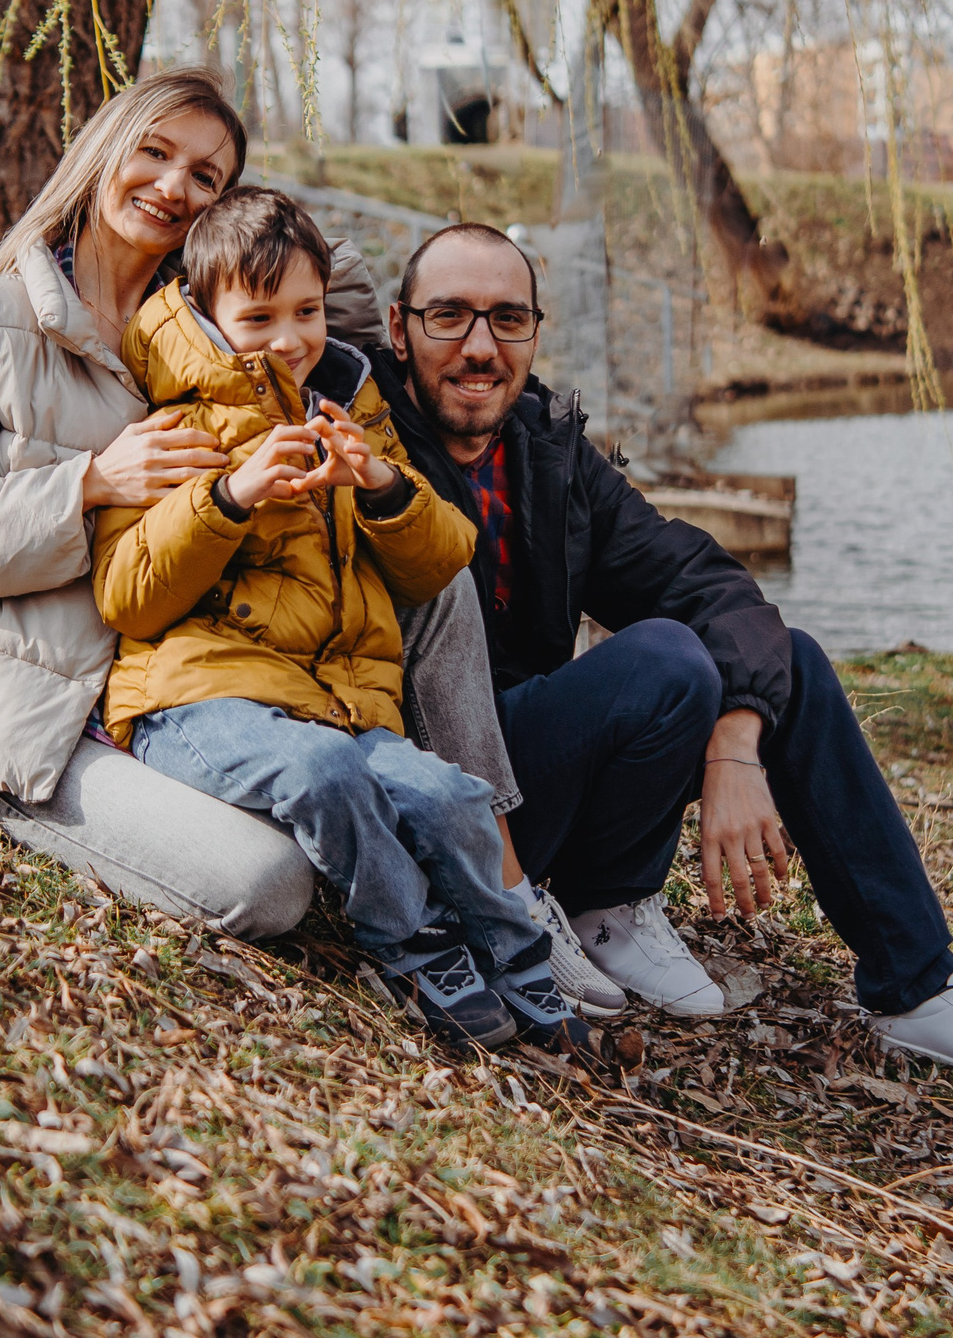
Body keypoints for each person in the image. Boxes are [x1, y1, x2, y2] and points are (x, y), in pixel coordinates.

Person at [363, 222, 953, 1097]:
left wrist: (736, 742)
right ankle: (591, 901)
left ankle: (917, 988)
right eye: (449, 316)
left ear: (534, 332)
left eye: (507, 319)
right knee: (667, 661)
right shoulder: (365, 444)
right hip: (437, 799)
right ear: (399, 329)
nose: (480, 346)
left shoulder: (545, 449)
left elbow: (705, 579)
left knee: (789, 660)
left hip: (544, 781)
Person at [0, 70, 519, 942]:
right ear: (103, 149)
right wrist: (87, 482)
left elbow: (331, 284)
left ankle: (507, 879)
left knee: (434, 573)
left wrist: (260, 260)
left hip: (193, 676)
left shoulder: (211, 323)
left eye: (207, 177)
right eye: (155, 152)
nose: (175, 187)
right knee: (268, 883)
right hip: (36, 696)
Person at [90, 190, 587, 1054]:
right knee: (323, 771)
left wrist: (384, 488)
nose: (292, 337)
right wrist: (229, 498)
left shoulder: (348, 409)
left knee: (447, 792)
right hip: (193, 703)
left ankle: (519, 954)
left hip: (335, 703)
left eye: (309, 311)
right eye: (261, 316)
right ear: (207, 315)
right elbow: (127, 595)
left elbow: (442, 562)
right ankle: (412, 942)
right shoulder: (176, 425)